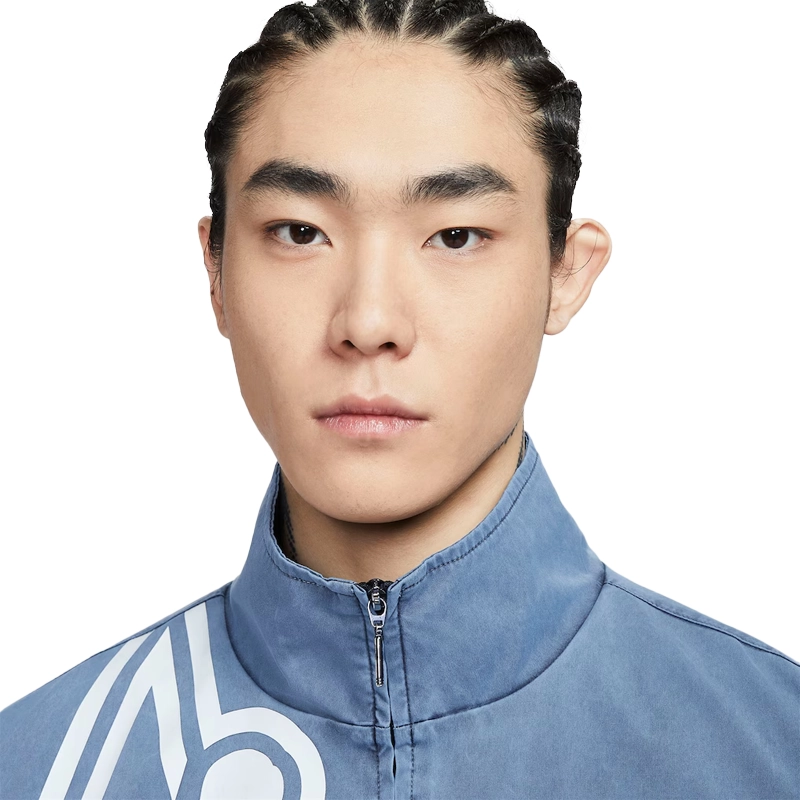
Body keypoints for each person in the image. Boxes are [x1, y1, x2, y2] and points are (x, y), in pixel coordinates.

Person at [1, 0, 798, 797]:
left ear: (566, 273)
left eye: (455, 236)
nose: (369, 323)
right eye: (299, 232)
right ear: (216, 271)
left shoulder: (771, 744)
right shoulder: (41, 766)